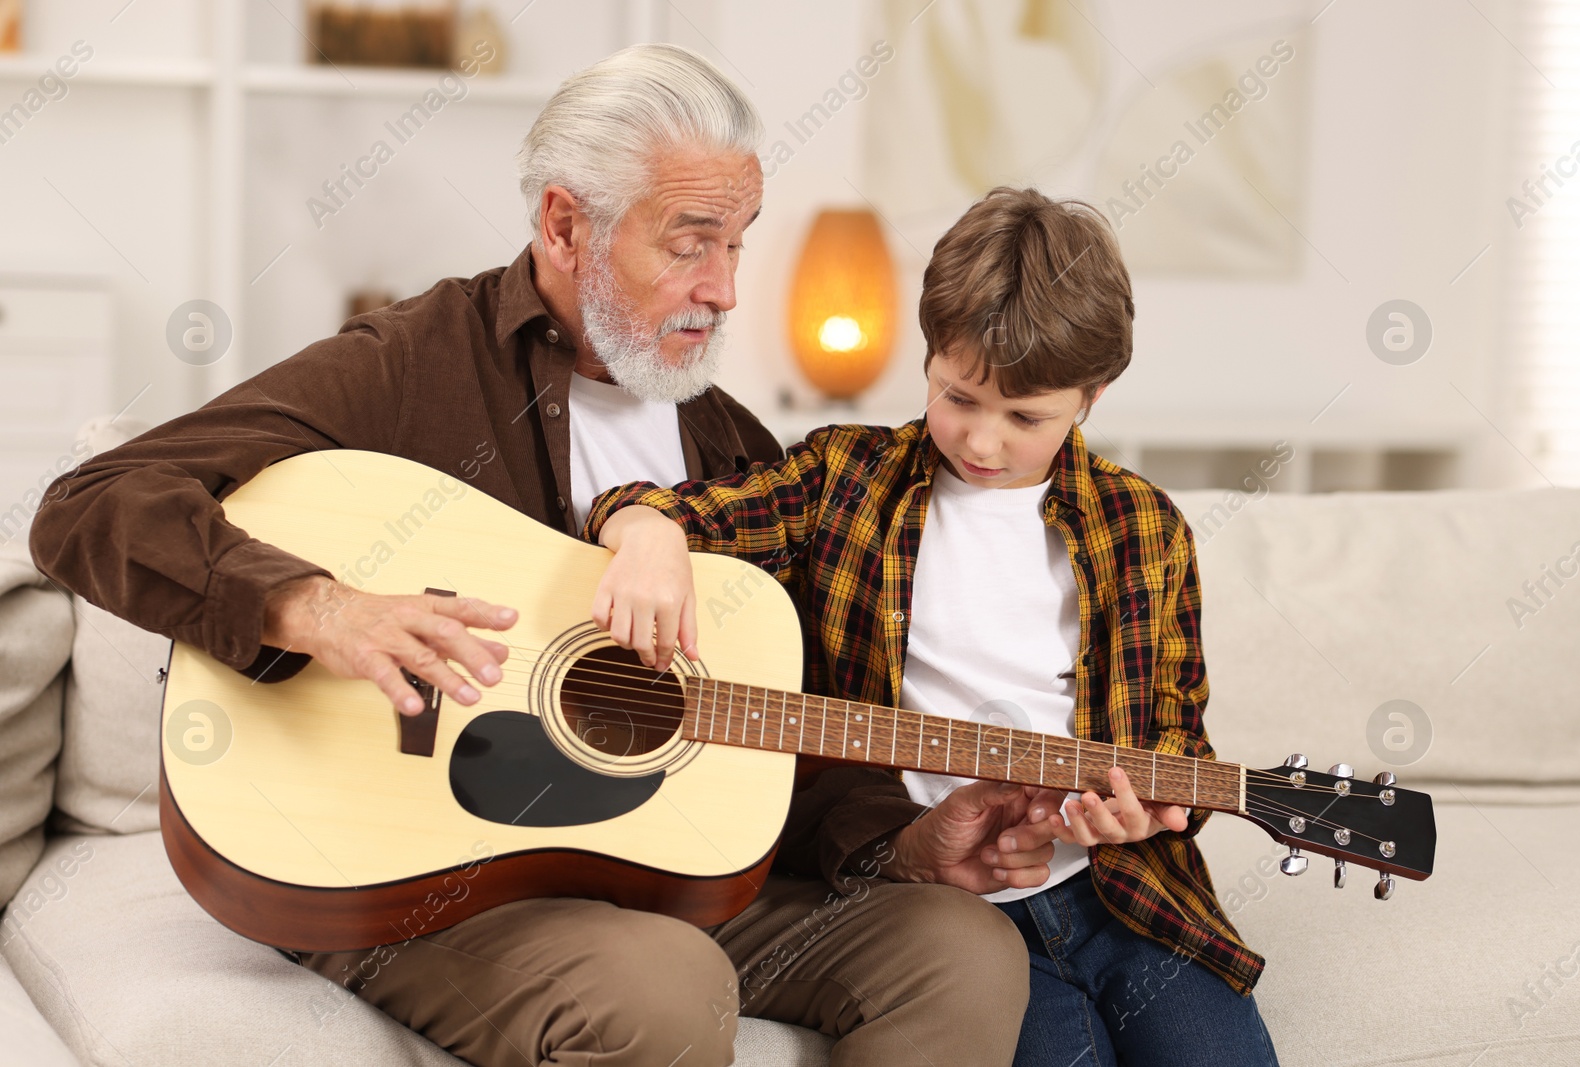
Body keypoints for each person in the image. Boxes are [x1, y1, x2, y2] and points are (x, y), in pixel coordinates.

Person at [29, 44, 1043, 1067]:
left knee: (962, 949)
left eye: (738, 243)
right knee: (660, 985)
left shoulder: (735, 448)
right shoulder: (410, 362)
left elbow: (774, 734)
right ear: (565, 225)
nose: (727, 288)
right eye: (692, 242)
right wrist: (320, 609)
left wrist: (905, 844)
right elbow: (89, 502)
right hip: (422, 875)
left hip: (660, 877)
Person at [584, 186, 1282, 1067]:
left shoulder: (1144, 527)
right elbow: (680, 509)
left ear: (1092, 397)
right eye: (960, 398)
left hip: (1121, 899)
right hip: (942, 906)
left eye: (1027, 417)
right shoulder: (843, 478)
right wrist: (641, 527)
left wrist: (1143, 816)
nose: (983, 441)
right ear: (929, 358)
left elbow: (1174, 738)